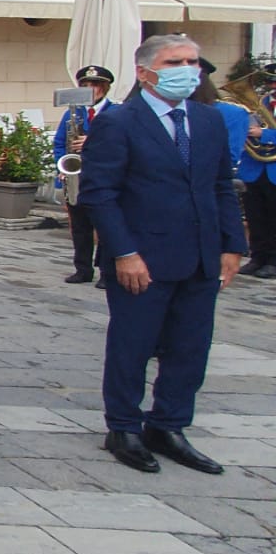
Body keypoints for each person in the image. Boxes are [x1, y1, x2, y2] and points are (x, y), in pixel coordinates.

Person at [84, 33, 245, 475]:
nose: (189, 70)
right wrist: (124, 252)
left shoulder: (207, 120)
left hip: (199, 256)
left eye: (193, 61)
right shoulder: (119, 123)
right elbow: (100, 194)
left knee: (190, 347)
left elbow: (219, 187)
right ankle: (124, 426)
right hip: (142, 257)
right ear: (145, 71)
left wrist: (233, 246)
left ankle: (169, 423)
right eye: (176, 62)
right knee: (132, 345)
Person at [53, 66, 115, 284]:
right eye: (85, 86)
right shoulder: (73, 113)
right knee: (80, 227)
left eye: (95, 85)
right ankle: (82, 268)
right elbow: (60, 143)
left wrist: (93, 141)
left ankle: (107, 271)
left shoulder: (115, 113)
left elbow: (121, 144)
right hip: (76, 177)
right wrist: (62, 169)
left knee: (106, 225)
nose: (90, 90)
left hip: (104, 177)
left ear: (104, 88)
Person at [237, 67, 276, 279]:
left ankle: (273, 260)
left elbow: (264, 133)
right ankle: (258, 257)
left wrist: (266, 134)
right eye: (271, 83)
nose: (273, 87)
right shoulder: (259, 105)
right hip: (254, 168)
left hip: (274, 169)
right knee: (256, 216)